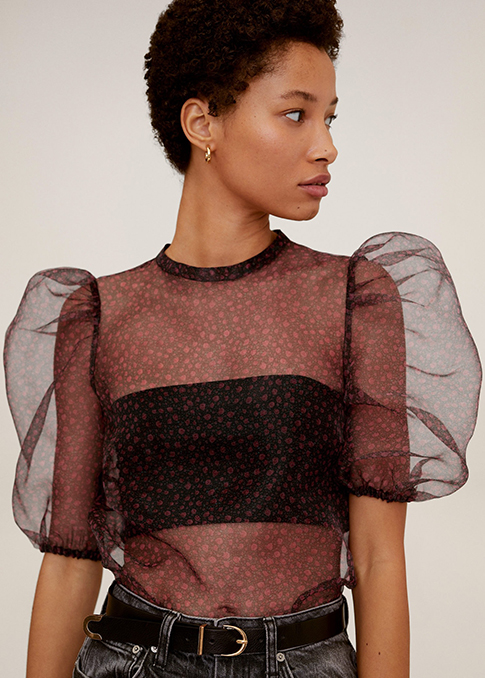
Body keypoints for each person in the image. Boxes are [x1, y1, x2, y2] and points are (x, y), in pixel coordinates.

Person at [4, 1, 481, 677]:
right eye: (295, 114)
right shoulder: (98, 315)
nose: (326, 145)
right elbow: (69, 560)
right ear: (202, 123)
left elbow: (378, 560)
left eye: (329, 117)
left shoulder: (356, 299)